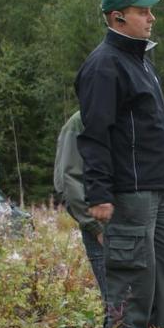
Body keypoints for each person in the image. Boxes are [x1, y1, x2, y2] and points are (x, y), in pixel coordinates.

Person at [75, 0, 164, 328]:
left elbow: (155, 129)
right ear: (117, 17)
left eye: (149, 9)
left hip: (158, 188)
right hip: (127, 192)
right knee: (132, 272)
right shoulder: (102, 65)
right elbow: (94, 134)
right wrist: (99, 191)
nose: (151, 17)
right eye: (143, 11)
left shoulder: (140, 61)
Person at [53, 111, 106, 309]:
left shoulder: (128, 115)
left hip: (132, 225)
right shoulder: (79, 121)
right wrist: (95, 227)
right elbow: (67, 182)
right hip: (101, 227)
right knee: (118, 309)